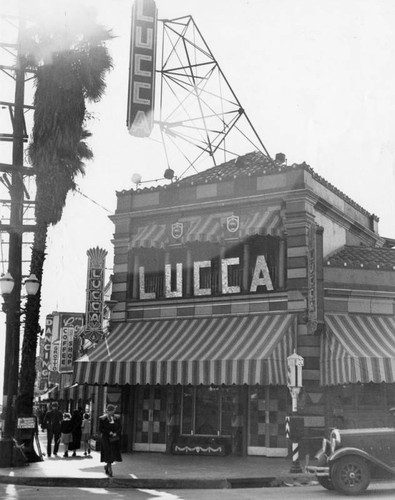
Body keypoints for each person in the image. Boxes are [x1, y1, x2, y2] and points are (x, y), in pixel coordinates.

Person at [99, 404, 122, 476]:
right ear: (107, 411)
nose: (112, 412)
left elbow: (120, 427)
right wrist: (109, 432)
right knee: (108, 452)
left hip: (114, 438)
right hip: (106, 438)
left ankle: (107, 466)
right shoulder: (103, 419)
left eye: (113, 411)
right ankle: (109, 469)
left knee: (113, 453)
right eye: (111, 411)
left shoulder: (117, 418)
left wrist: (116, 433)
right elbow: (101, 429)